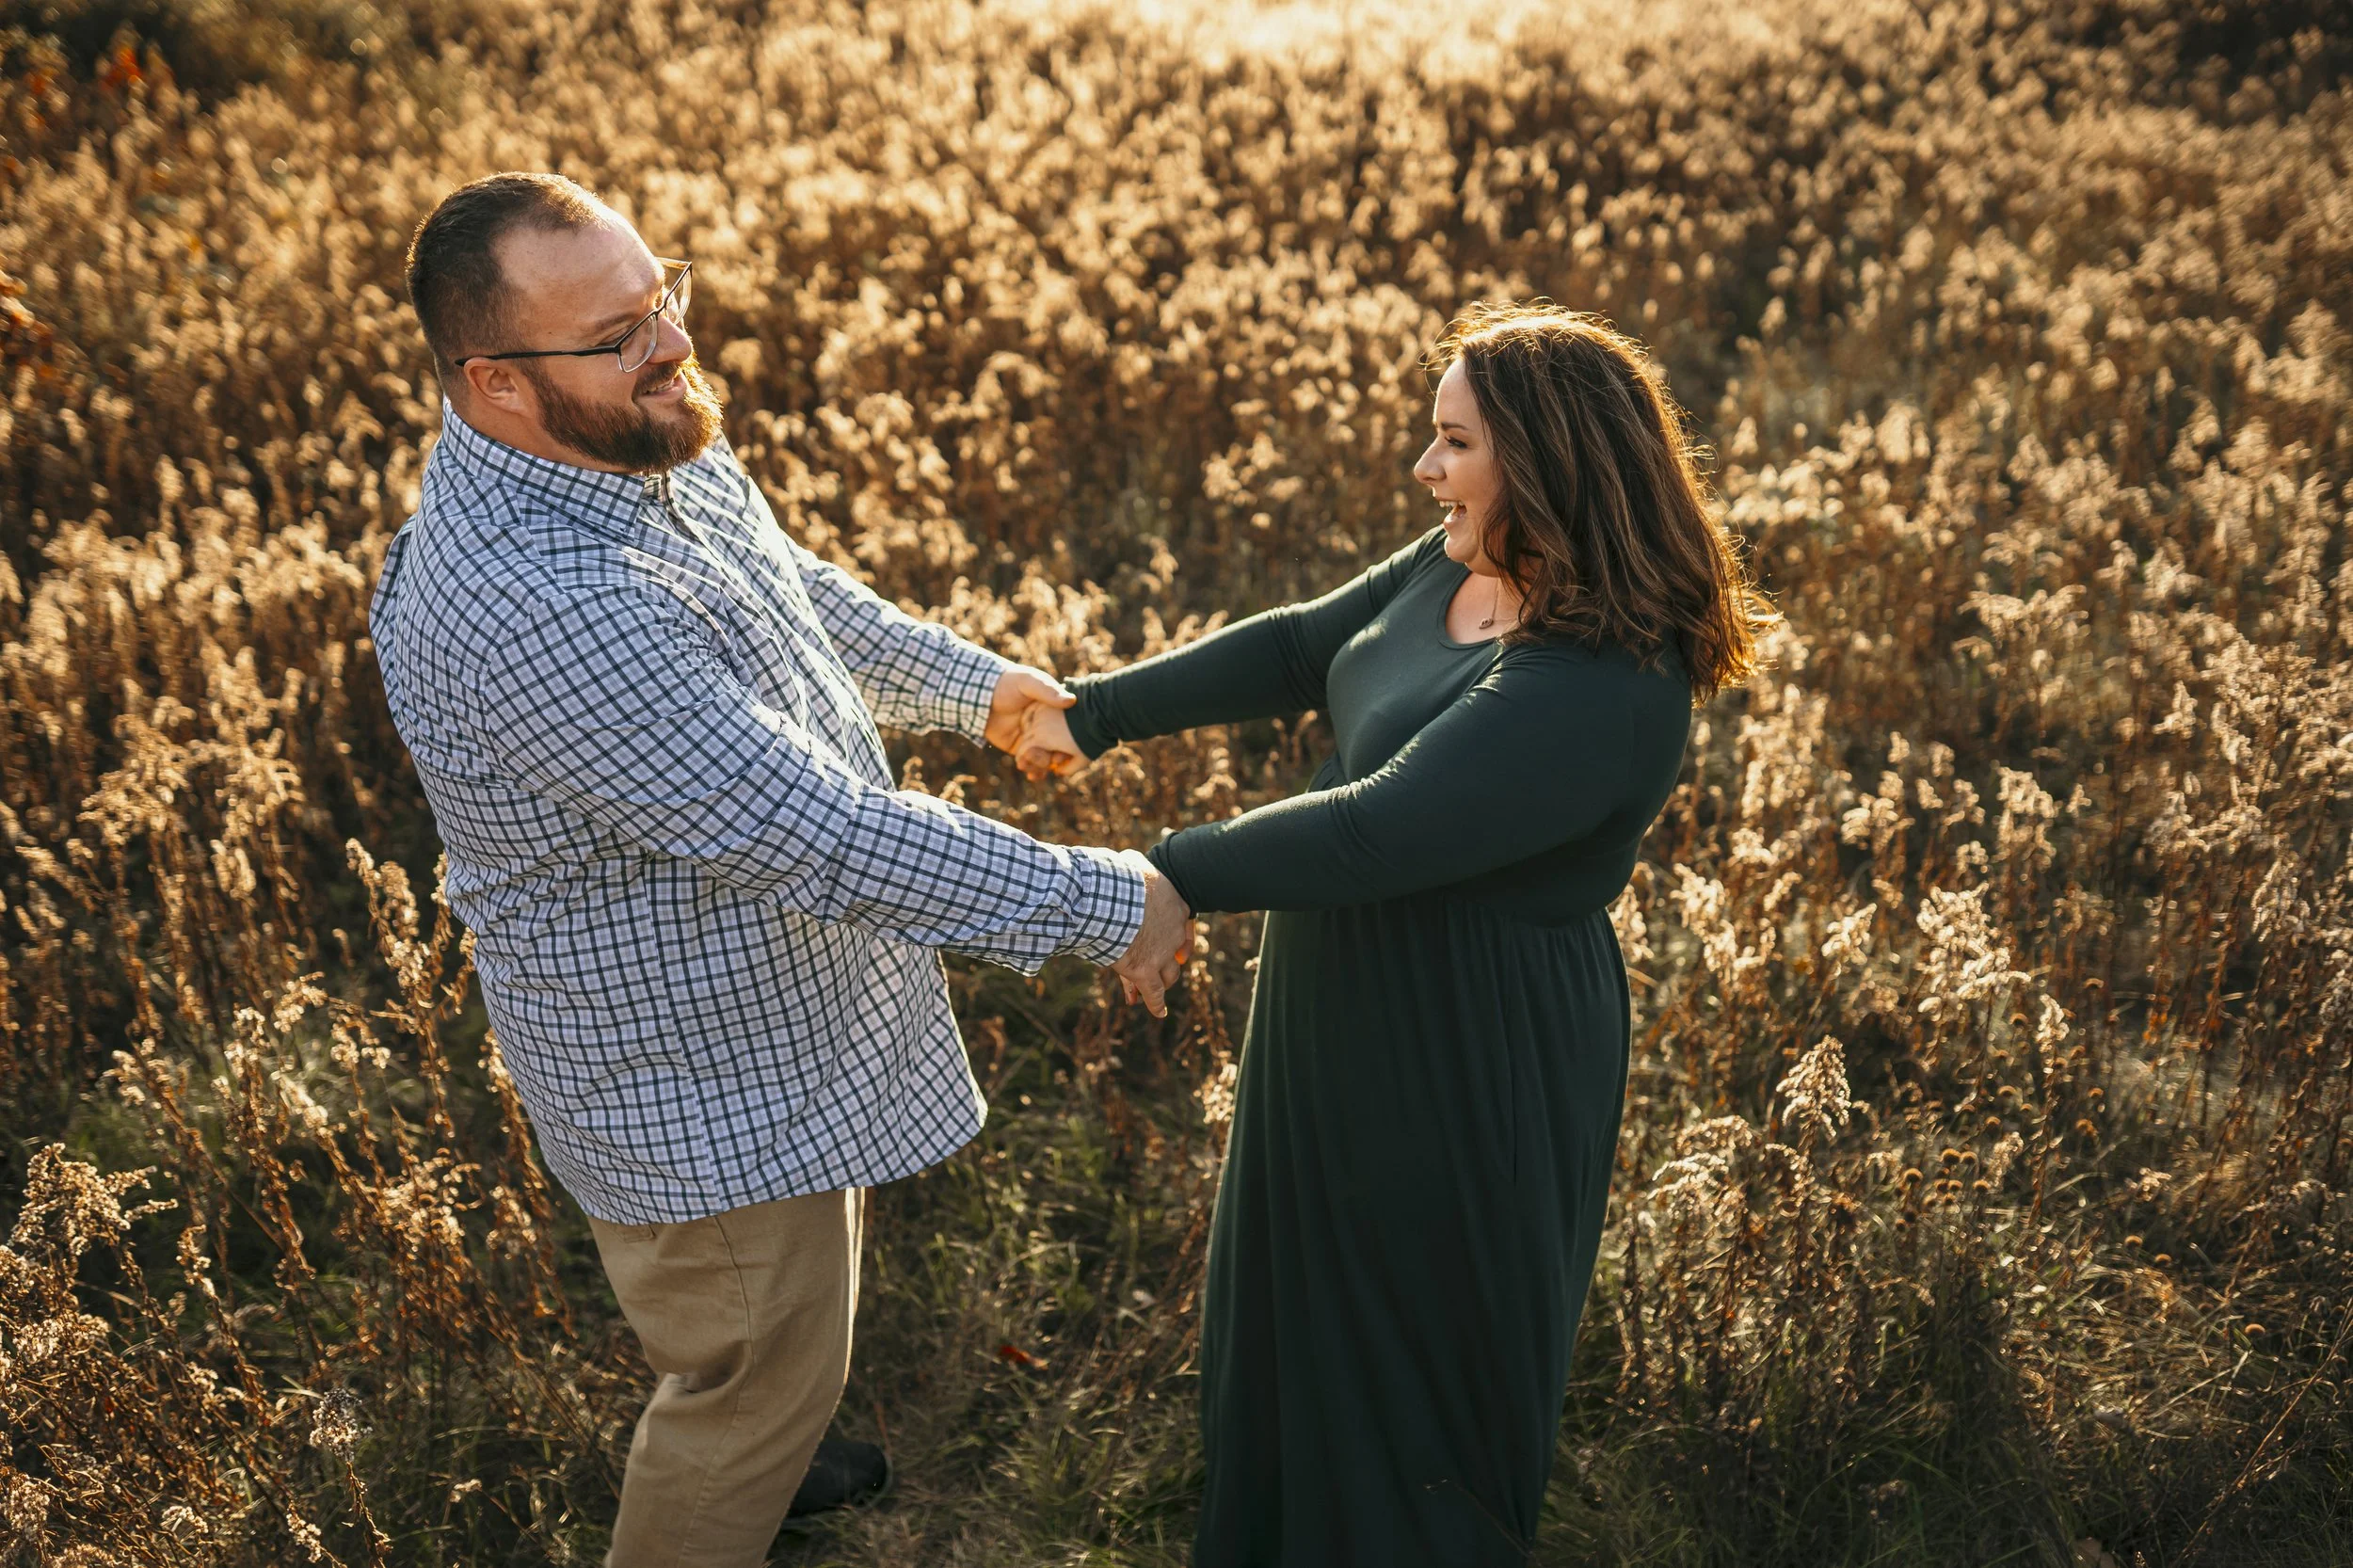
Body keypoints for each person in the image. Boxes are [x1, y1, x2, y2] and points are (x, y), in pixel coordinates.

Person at [368, 171, 1191, 1568]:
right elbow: (822, 833)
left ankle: (790, 1450)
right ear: (495, 381)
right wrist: (1115, 897)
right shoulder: (540, 607)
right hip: (698, 1076)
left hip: (763, 1014)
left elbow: (781, 586)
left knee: (786, 1320)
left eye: (663, 296)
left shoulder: (622, 440)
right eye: (619, 332)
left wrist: (969, 685)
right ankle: (738, 1481)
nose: (674, 346)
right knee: (746, 1370)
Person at [1019, 304, 1775, 1567]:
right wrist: (1094, 713)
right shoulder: (1463, 561)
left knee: (1410, 1369)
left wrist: (1167, 875)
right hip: (1336, 1006)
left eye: (1452, 443)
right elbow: (1305, 646)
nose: (1425, 470)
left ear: (1542, 462)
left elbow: (1379, 831)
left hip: (1466, 1046)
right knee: (1293, 1326)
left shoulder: (1603, 678)